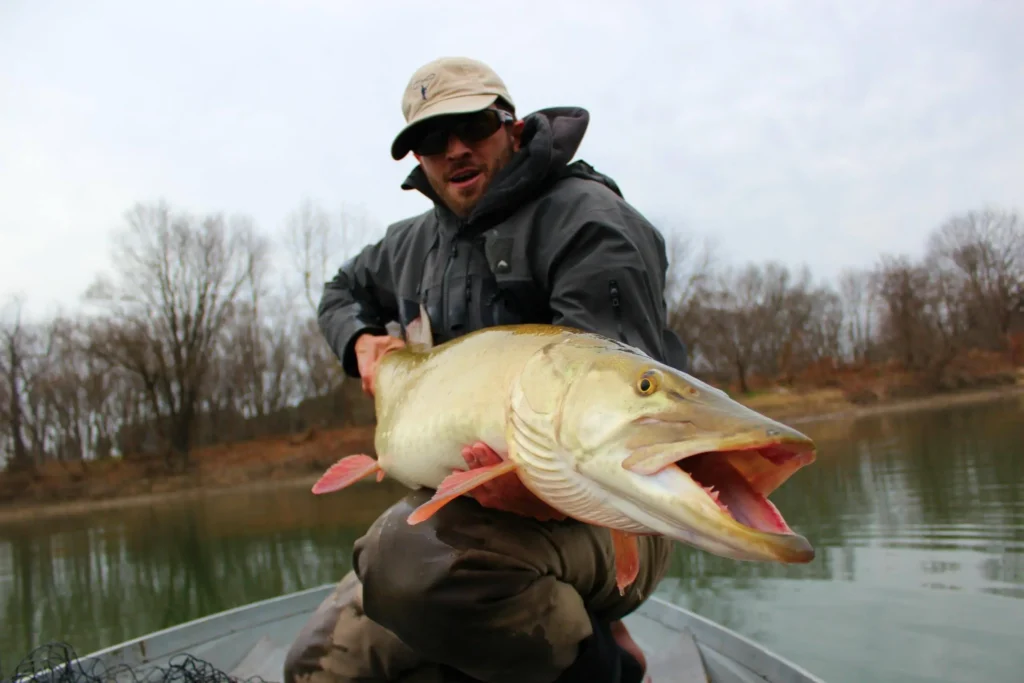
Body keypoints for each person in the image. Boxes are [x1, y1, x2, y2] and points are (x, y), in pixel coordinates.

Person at [283, 56, 688, 683]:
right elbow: (340, 291)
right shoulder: (410, 244)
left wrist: (534, 490)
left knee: (406, 566)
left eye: (472, 125)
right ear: (417, 157)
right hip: (467, 508)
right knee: (314, 669)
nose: (455, 150)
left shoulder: (589, 222)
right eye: (430, 140)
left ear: (512, 124)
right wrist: (360, 342)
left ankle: (602, 666)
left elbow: (620, 420)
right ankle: (527, 629)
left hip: (609, 505)